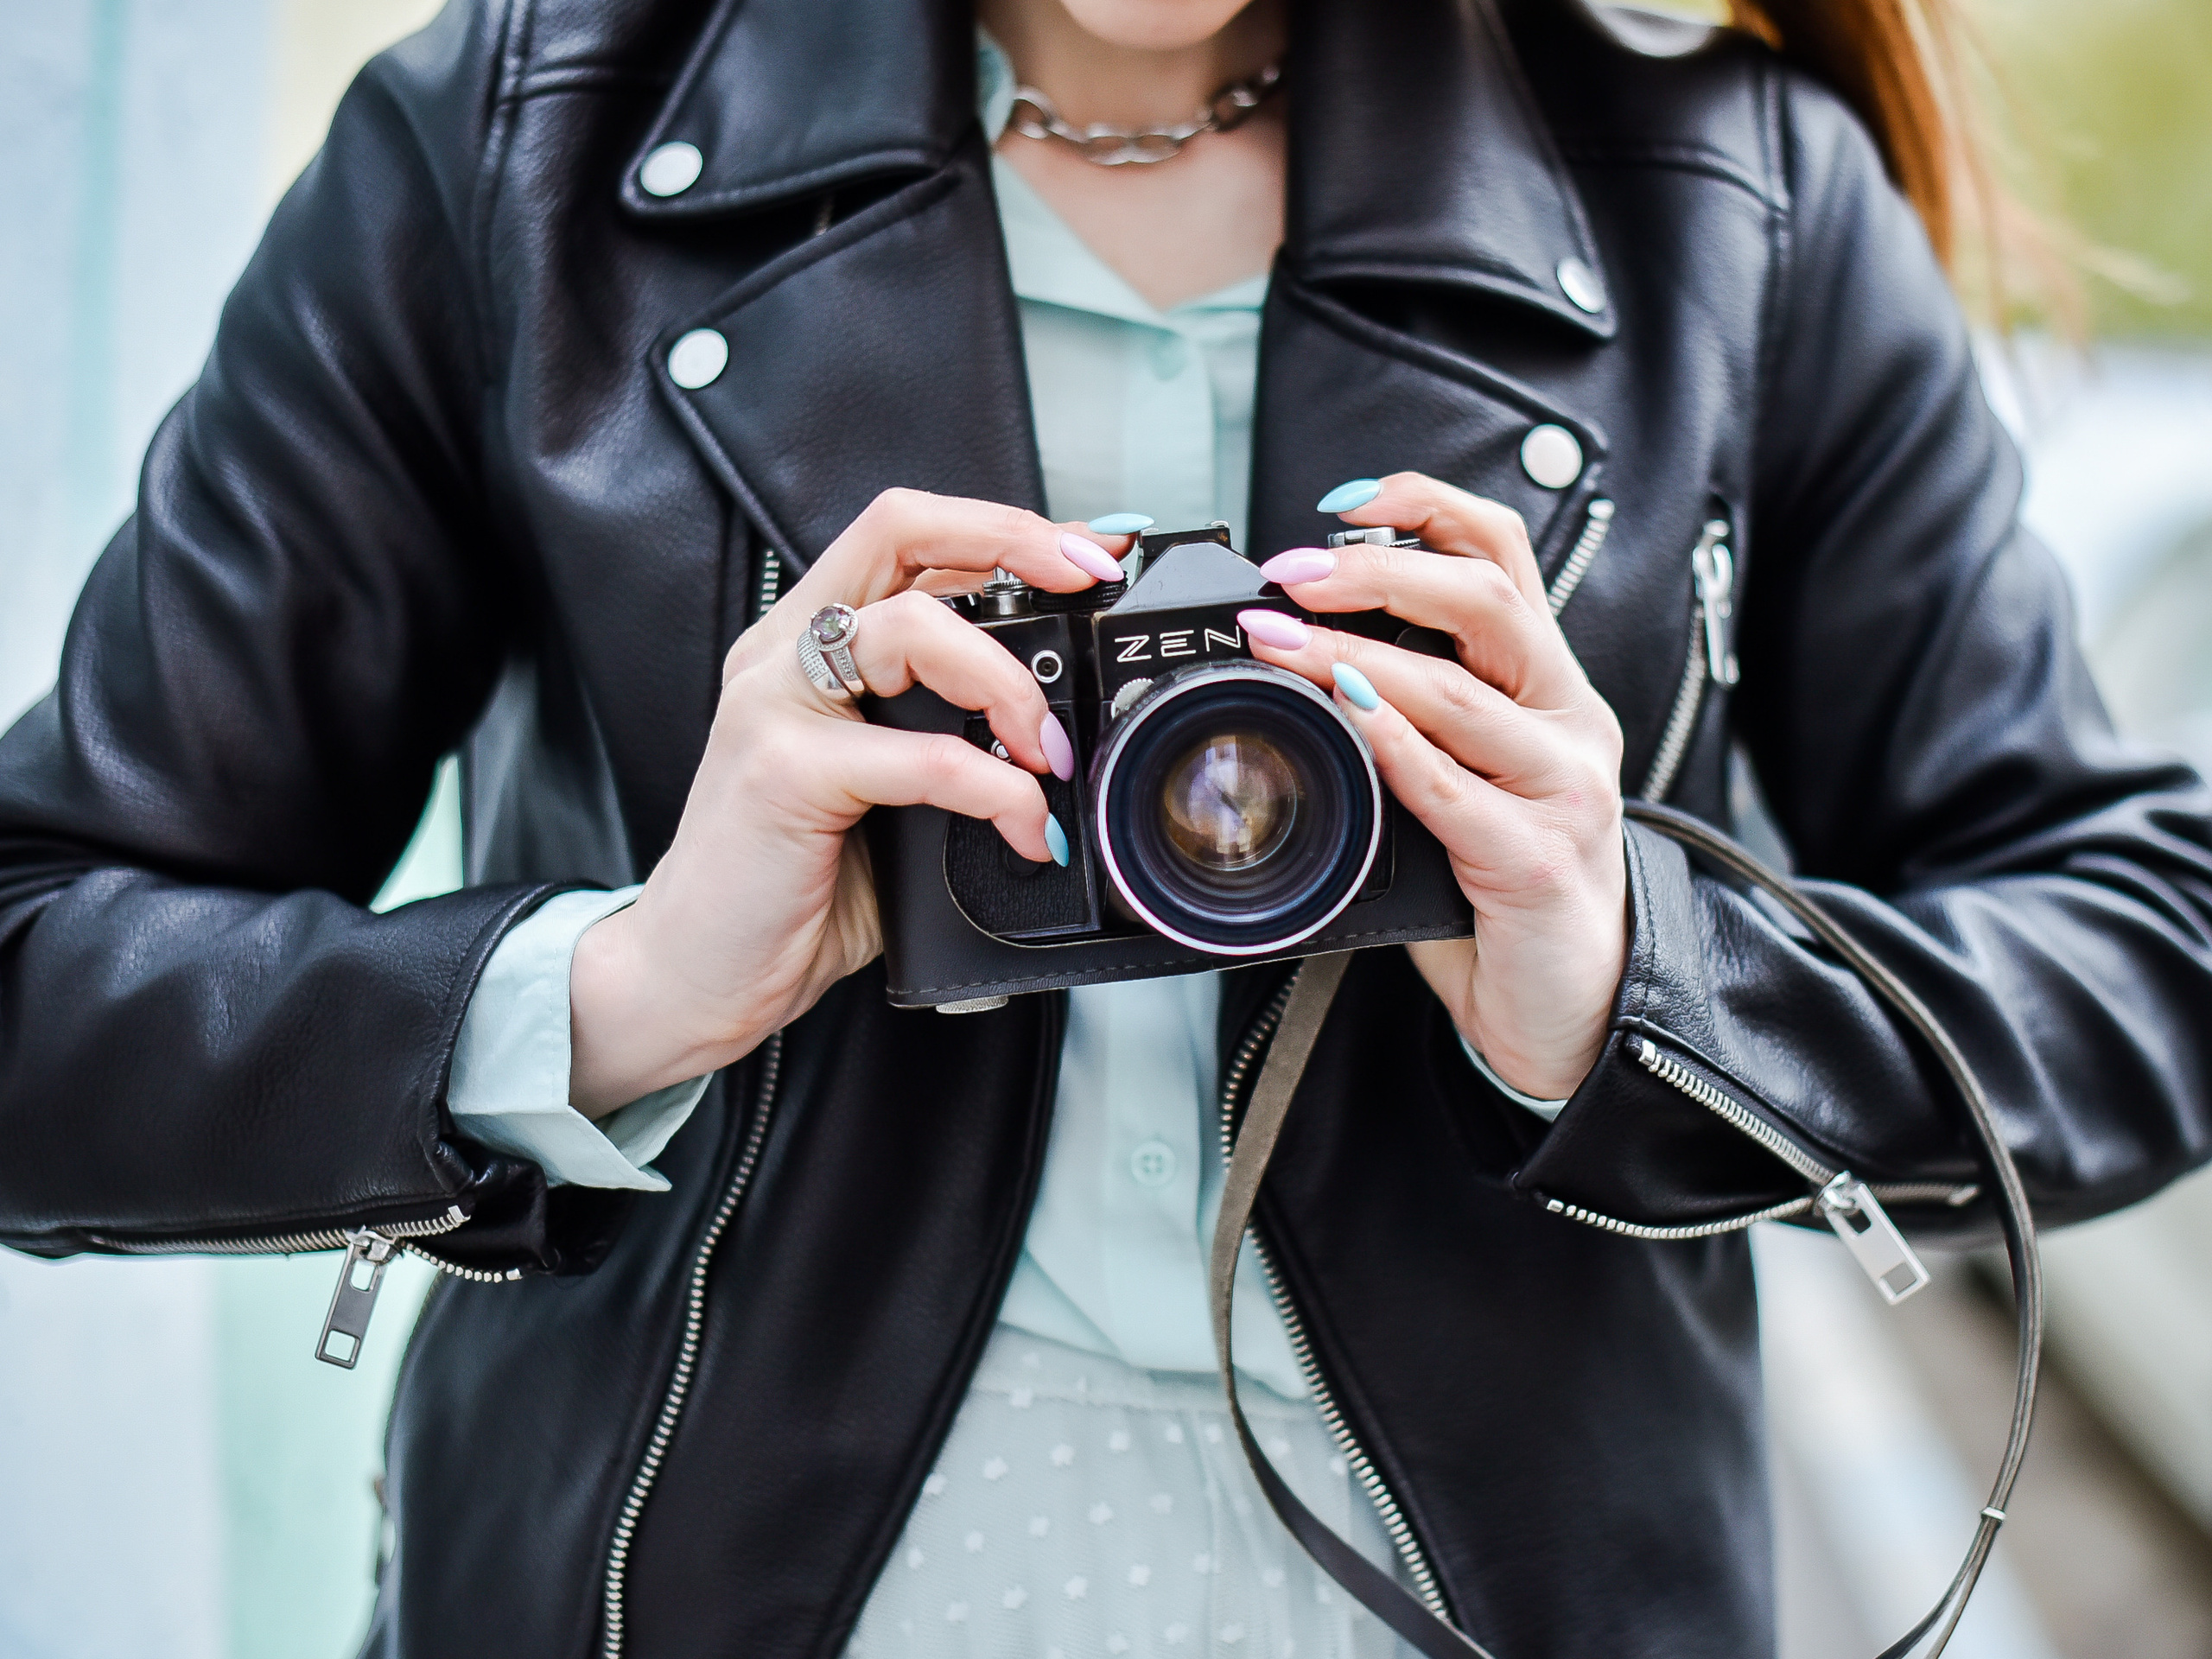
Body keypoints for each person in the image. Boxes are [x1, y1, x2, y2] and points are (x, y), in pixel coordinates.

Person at [2, 0, 2209, 1653]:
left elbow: (2142, 941)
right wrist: (617, 989)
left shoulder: (1729, 190)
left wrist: (1633, 984)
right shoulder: (509, 149)